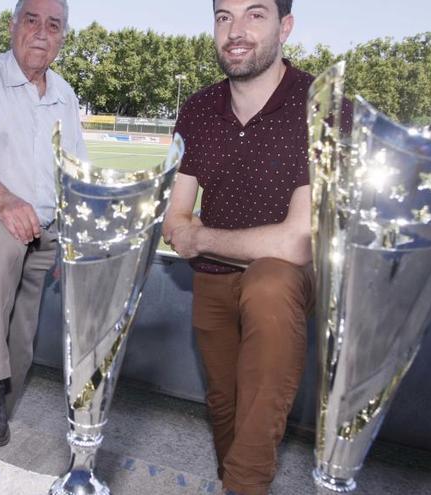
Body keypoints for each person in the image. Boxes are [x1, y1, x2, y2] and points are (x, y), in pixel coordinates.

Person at [162, 1, 314, 494]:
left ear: (285, 27)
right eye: (224, 16)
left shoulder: (324, 106)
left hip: (282, 280)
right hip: (213, 279)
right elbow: (175, 220)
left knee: (270, 281)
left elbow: (296, 240)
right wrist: (195, 235)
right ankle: (237, 480)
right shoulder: (198, 109)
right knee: (225, 404)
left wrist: (204, 235)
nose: (236, 30)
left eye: (255, 14)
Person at [0, 0, 87, 448]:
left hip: (44, 231)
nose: (43, 32)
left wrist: (73, 237)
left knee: (20, 346)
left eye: (54, 24)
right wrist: (3, 201)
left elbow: (75, 173)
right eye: (32, 20)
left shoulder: (65, 95)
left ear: (63, 36)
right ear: (12, 27)